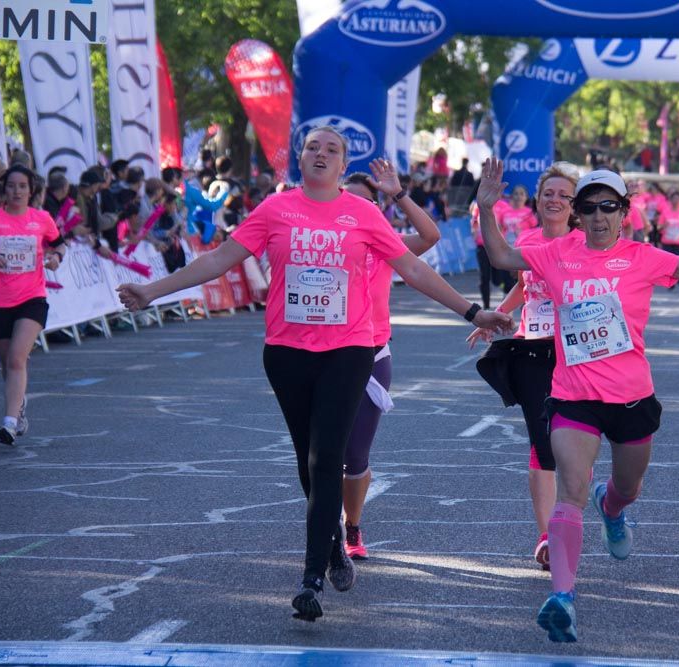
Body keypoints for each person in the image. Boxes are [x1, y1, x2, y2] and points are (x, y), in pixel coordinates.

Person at [116, 127, 512, 623]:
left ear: (343, 166)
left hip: (349, 351)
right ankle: (332, 543)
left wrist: (473, 312)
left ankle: (310, 580)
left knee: (328, 459)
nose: (321, 154)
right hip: (287, 353)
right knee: (308, 462)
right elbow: (218, 259)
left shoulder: (363, 213)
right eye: (312, 148)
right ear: (299, 161)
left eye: (332, 149)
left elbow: (413, 269)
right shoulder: (275, 210)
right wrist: (153, 291)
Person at [476, 160, 679, 643]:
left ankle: (614, 506)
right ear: (578, 214)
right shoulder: (555, 252)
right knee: (570, 491)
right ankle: (562, 597)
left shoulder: (643, 257)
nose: (598, 216)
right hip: (573, 395)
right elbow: (500, 255)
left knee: (627, 486)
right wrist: (485, 208)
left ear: (624, 212)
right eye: (589, 207)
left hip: (630, 396)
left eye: (608, 206)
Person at [466, 162, 581, 571]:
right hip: (532, 350)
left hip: (575, 354)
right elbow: (522, 285)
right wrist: (496, 316)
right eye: (548, 193)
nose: (554, 200)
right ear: (538, 199)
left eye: (563, 195)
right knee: (540, 440)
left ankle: (576, 515)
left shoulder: (585, 243)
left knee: (574, 445)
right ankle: (548, 535)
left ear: (575, 205)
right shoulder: (528, 239)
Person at [339, 159, 441, 560]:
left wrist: (398, 194)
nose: (356, 206)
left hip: (372, 355)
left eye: (366, 201)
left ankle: (352, 525)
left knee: (355, 457)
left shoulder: (385, 243)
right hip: (324, 357)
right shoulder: (323, 241)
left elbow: (430, 236)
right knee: (323, 454)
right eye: (348, 198)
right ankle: (324, 530)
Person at [0, 165, 67, 445]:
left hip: (32, 297)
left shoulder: (42, 218)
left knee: (17, 358)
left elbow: (60, 244)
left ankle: (9, 423)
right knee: (9, 362)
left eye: (22, 186)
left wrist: (56, 258)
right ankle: (18, 406)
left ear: (31, 190)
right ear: (4, 189)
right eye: (11, 186)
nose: (17, 191)